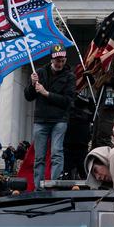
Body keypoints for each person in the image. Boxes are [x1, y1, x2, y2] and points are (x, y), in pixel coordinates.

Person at [24, 44, 75, 190]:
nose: (59, 63)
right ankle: (38, 187)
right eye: (57, 60)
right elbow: (28, 96)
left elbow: (68, 101)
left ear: (65, 59)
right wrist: (32, 84)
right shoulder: (39, 73)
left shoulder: (69, 76)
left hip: (59, 120)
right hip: (41, 120)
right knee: (39, 157)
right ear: (51, 59)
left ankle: (54, 185)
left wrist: (46, 93)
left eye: (62, 60)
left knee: (56, 153)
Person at [63, 93, 94, 179]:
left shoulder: (87, 114)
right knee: (68, 173)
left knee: (83, 173)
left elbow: (94, 114)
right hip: (70, 146)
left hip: (80, 147)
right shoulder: (70, 111)